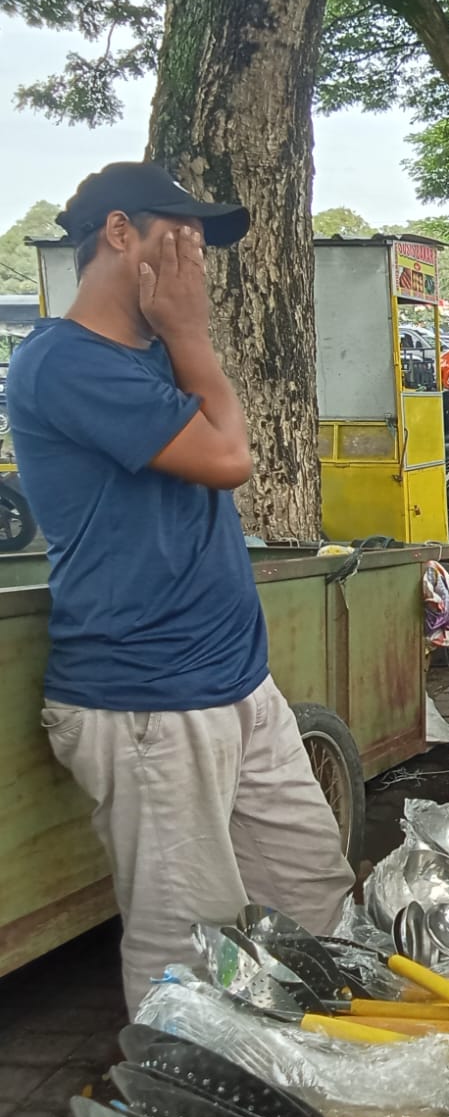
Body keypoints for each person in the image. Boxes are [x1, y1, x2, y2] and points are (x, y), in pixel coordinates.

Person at [6, 162, 354, 1013]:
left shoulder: (158, 356)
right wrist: (194, 336)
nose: (199, 253)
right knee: (188, 947)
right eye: (182, 231)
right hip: (150, 704)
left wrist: (183, 341)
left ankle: (331, 1078)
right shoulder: (63, 362)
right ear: (118, 232)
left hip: (236, 684)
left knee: (317, 894)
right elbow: (230, 458)